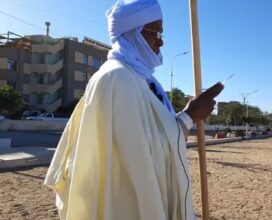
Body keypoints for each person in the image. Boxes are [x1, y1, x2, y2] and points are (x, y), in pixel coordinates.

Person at [44, 0, 224, 219]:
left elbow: (151, 135)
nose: (161, 43)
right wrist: (189, 117)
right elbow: (141, 155)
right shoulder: (117, 78)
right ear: (133, 33)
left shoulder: (143, 80)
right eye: (155, 34)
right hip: (127, 202)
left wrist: (189, 115)